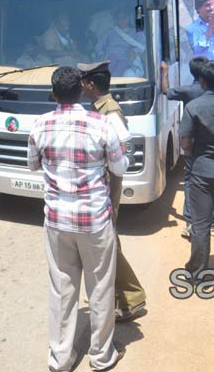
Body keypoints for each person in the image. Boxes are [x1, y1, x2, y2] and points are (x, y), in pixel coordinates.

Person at [28, 66, 127, 372]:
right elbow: (120, 168)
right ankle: (100, 356)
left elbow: (33, 165)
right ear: (82, 90)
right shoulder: (102, 123)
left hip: (57, 221)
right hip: (95, 221)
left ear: (55, 93)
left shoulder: (40, 124)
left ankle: (59, 358)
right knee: (100, 288)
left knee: (61, 287)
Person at [78, 61, 147, 323]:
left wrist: (108, 180)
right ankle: (117, 295)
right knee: (107, 242)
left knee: (109, 243)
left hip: (108, 184)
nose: (82, 86)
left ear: (91, 84)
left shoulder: (110, 112)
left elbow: (125, 151)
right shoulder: (100, 107)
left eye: (84, 81)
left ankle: (132, 297)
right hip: (105, 182)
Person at [179, 60, 214, 281]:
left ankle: (197, 272)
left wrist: (193, 154)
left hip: (202, 169)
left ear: (202, 81)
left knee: (200, 223)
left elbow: (185, 141)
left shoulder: (195, 106)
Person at [160, 56, 209, 238]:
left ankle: (190, 221)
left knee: (190, 181)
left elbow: (166, 91)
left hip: (192, 144)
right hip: (212, 144)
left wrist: (165, 72)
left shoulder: (188, 91)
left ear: (191, 72)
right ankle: (213, 221)